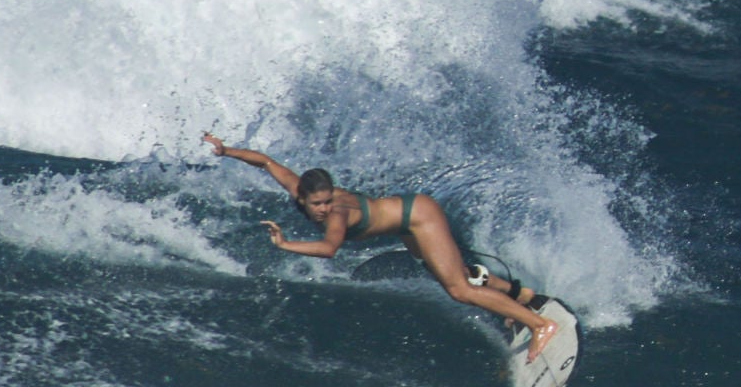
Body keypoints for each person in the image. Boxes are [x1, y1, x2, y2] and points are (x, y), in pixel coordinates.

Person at [204, 134, 558, 357]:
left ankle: (540, 326)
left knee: (458, 289)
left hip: (418, 217)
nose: (324, 208)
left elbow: (329, 250)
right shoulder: (298, 188)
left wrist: (285, 244)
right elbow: (266, 162)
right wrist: (226, 151)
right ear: (302, 197)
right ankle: (519, 295)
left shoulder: (337, 213)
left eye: (328, 201)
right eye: (318, 204)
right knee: (450, 273)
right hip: (406, 222)